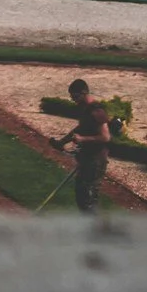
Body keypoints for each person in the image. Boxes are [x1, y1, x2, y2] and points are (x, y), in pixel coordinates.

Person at [52, 77, 117, 212]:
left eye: (74, 96)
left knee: (89, 198)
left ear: (83, 92)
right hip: (87, 159)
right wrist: (62, 142)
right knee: (81, 195)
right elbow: (79, 129)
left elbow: (105, 137)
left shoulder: (97, 111)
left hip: (96, 161)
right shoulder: (85, 109)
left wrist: (83, 139)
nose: (73, 100)